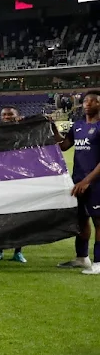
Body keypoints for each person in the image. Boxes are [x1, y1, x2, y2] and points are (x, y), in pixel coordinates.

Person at [55, 90, 100, 273]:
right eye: (85, 101)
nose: (87, 104)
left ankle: (99, 262)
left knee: (99, 221)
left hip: (96, 182)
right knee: (81, 220)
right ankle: (82, 258)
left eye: (93, 101)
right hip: (78, 181)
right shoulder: (78, 125)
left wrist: (88, 181)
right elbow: (64, 146)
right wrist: (52, 130)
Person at [0, 106, 27, 263]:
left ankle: (18, 251)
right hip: (0, 179)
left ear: (17, 116)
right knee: (0, 216)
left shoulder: (24, 131)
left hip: (20, 179)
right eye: (4, 115)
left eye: (10, 114)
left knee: (20, 217)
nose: (6, 117)